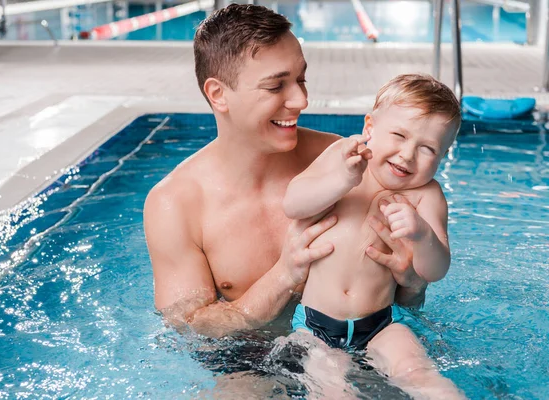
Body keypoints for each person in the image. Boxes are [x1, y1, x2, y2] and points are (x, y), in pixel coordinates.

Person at [143, 4, 426, 340]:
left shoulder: (342, 162)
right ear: (218, 94)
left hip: (358, 345)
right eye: (276, 87)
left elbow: (402, 297)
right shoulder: (175, 204)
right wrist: (284, 275)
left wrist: (413, 283)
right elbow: (191, 327)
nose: (301, 100)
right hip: (247, 359)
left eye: (301, 79)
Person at [283, 73, 464, 397]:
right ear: (370, 127)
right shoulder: (344, 155)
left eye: (427, 149)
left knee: (419, 374)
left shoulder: (426, 195)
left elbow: (435, 271)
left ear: (443, 156)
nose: (407, 155)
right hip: (314, 326)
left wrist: (422, 235)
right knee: (330, 386)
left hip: (381, 324)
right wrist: (341, 180)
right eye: (398, 135)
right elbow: (293, 203)